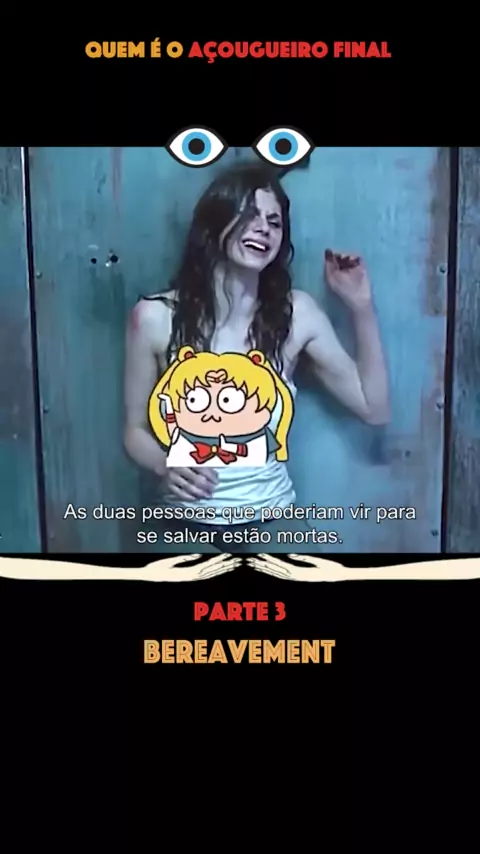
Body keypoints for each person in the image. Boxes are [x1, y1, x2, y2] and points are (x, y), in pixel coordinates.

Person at [123, 161, 390, 553]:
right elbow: (134, 431)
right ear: (215, 223)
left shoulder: (296, 314)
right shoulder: (153, 318)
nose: (264, 228)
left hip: (271, 522)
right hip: (181, 524)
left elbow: (374, 408)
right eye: (249, 214)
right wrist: (164, 465)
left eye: (274, 222)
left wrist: (360, 307)